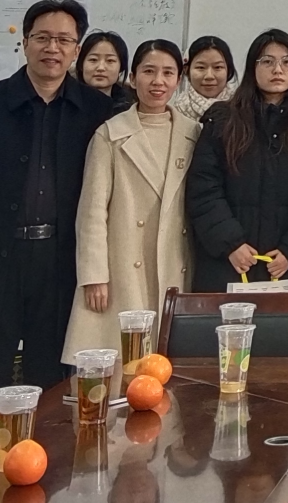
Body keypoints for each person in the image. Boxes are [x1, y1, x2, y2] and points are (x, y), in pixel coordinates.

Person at [0, 0, 116, 439]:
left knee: (52, 369)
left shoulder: (96, 112)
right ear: (24, 41)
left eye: (63, 40)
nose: (52, 48)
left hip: (60, 259)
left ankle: (47, 462)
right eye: (43, 37)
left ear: (76, 50)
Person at [64, 38, 199, 360]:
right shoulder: (109, 134)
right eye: (149, 71)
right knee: (122, 366)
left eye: (168, 73)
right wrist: (94, 276)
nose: (158, 81)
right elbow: (92, 211)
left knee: (170, 365)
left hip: (175, 260)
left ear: (178, 79)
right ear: (133, 77)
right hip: (123, 266)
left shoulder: (194, 133)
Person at [183, 30, 288, 292]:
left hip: (285, 267)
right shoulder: (223, 120)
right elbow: (203, 190)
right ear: (251, 67)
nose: (277, 69)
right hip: (227, 263)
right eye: (267, 61)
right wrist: (231, 243)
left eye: (287, 62)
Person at [174, 34, 236, 123]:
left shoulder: (242, 107)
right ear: (186, 70)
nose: (209, 76)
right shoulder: (175, 111)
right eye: (201, 67)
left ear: (228, 70)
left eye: (218, 67)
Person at [78, 29, 134, 111]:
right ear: (81, 65)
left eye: (110, 60)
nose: (101, 68)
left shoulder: (130, 110)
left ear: (121, 67)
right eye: (93, 59)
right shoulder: (64, 104)